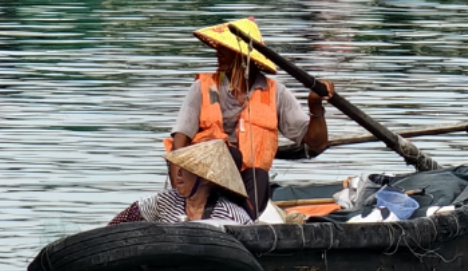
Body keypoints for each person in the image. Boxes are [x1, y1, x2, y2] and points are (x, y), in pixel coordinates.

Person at [169, 18, 333, 218]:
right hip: (203, 178)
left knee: (259, 176)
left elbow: (317, 143)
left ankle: (241, 222)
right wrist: (178, 179)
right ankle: (205, 214)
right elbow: (181, 138)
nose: (217, 52)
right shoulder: (206, 88)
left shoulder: (274, 93)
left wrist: (315, 107)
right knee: (231, 154)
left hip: (244, 182)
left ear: (243, 56)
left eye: (225, 48)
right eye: (218, 46)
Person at [109, 137, 257, 225]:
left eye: (187, 169)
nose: (178, 173)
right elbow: (123, 221)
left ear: (206, 179)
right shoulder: (163, 202)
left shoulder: (231, 216)